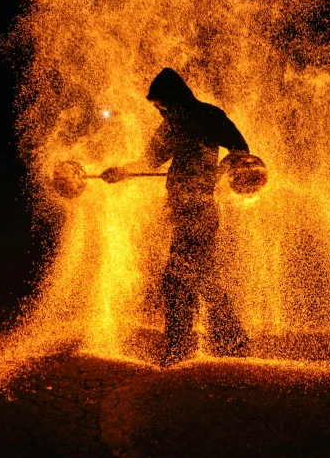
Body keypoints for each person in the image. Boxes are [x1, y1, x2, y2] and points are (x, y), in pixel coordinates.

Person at [103, 68, 250, 366]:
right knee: (199, 274)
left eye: (162, 106)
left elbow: (240, 148)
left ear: (175, 98)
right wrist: (121, 171)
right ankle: (229, 336)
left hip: (200, 209)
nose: (160, 113)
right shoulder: (172, 125)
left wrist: (216, 175)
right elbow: (149, 160)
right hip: (181, 209)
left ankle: (183, 346)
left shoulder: (207, 115)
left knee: (177, 277)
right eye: (158, 108)